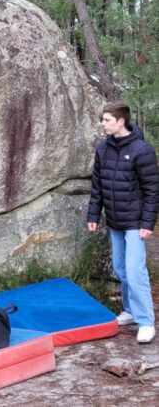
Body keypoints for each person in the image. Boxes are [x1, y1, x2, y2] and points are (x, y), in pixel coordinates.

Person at [87, 101, 158, 344]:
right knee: (121, 269)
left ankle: (146, 321)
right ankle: (129, 311)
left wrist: (148, 223)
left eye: (106, 120)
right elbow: (98, 186)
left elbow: (152, 191)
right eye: (102, 119)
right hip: (115, 221)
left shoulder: (142, 150)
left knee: (136, 272)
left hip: (136, 223)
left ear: (121, 122)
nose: (102, 124)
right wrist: (93, 216)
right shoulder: (103, 149)